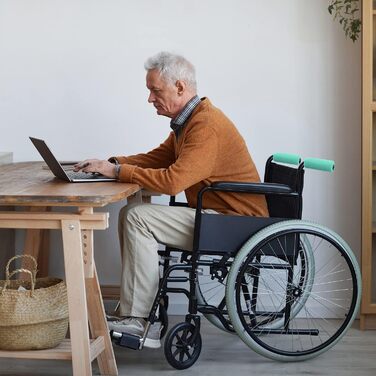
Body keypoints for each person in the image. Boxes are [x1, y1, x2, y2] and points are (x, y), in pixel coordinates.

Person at [74, 51, 269, 348]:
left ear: (179, 87)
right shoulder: (190, 121)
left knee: (137, 216)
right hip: (219, 216)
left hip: (233, 224)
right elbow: (157, 158)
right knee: (135, 213)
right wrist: (109, 163)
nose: (150, 98)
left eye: (155, 90)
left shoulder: (206, 126)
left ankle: (141, 321)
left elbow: (174, 180)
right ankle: (136, 314)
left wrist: (117, 171)